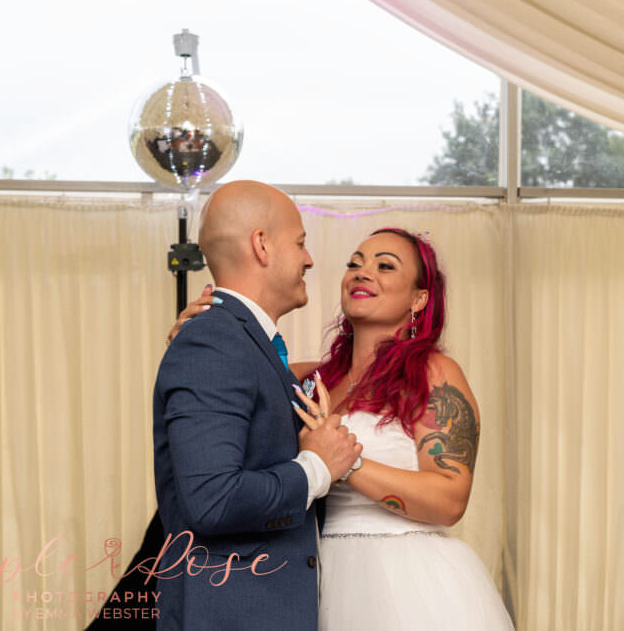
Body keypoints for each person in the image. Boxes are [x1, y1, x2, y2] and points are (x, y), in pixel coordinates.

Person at [170, 226, 513, 630]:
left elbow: (451, 500)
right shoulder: (307, 379)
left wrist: (347, 464)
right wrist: (196, 337)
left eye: (385, 266)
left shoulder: (433, 375)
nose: (362, 273)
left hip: (406, 580)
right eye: (355, 263)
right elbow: (228, 392)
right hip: (315, 574)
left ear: (419, 298)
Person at [152, 180, 361, 630]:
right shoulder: (214, 341)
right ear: (262, 245)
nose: (309, 259)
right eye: (301, 242)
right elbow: (212, 499)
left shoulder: (244, 342)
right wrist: (317, 468)